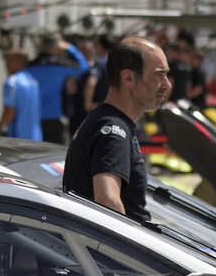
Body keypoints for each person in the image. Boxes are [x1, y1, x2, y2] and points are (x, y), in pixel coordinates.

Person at [63, 37, 170, 224]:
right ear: (128, 78)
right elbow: (107, 200)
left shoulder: (109, 123)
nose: (166, 85)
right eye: (159, 75)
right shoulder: (113, 130)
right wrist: (135, 249)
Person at [25, 35, 90, 145]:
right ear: (56, 47)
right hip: (55, 118)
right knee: (55, 154)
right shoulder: (60, 66)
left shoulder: (30, 66)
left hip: (33, 117)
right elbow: (84, 67)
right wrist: (69, 48)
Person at [0, 47, 42, 142]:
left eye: (9, 61)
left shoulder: (12, 82)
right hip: (36, 138)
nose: (6, 65)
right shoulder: (32, 81)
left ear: (18, 62)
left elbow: (9, 112)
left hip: (19, 139)